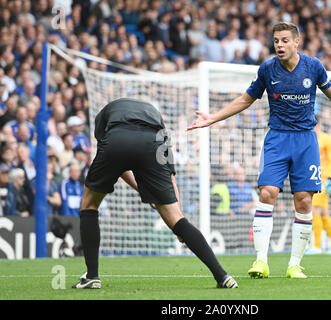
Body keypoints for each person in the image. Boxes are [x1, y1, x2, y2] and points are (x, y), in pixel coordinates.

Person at [187, 22, 331, 279]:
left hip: (306, 140)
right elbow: (245, 99)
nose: (280, 45)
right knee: (267, 192)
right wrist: (212, 118)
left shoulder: (314, 67)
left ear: (297, 42)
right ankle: (260, 262)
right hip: (277, 138)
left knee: (304, 200)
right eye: (276, 40)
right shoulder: (267, 69)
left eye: (285, 40)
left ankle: (294, 264)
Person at [72, 97, 238, 289]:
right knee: (176, 218)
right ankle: (222, 276)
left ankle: (92, 276)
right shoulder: (158, 120)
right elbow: (171, 177)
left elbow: (116, 159)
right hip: (153, 142)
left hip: (118, 139)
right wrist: (177, 216)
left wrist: (141, 188)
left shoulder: (106, 113)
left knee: (89, 204)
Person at [306, 118, 331, 254]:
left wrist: (330, 178)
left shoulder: (327, 139)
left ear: (318, 124)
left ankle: (316, 246)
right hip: (313, 179)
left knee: (314, 210)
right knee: (324, 213)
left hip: (324, 180)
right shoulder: (309, 139)